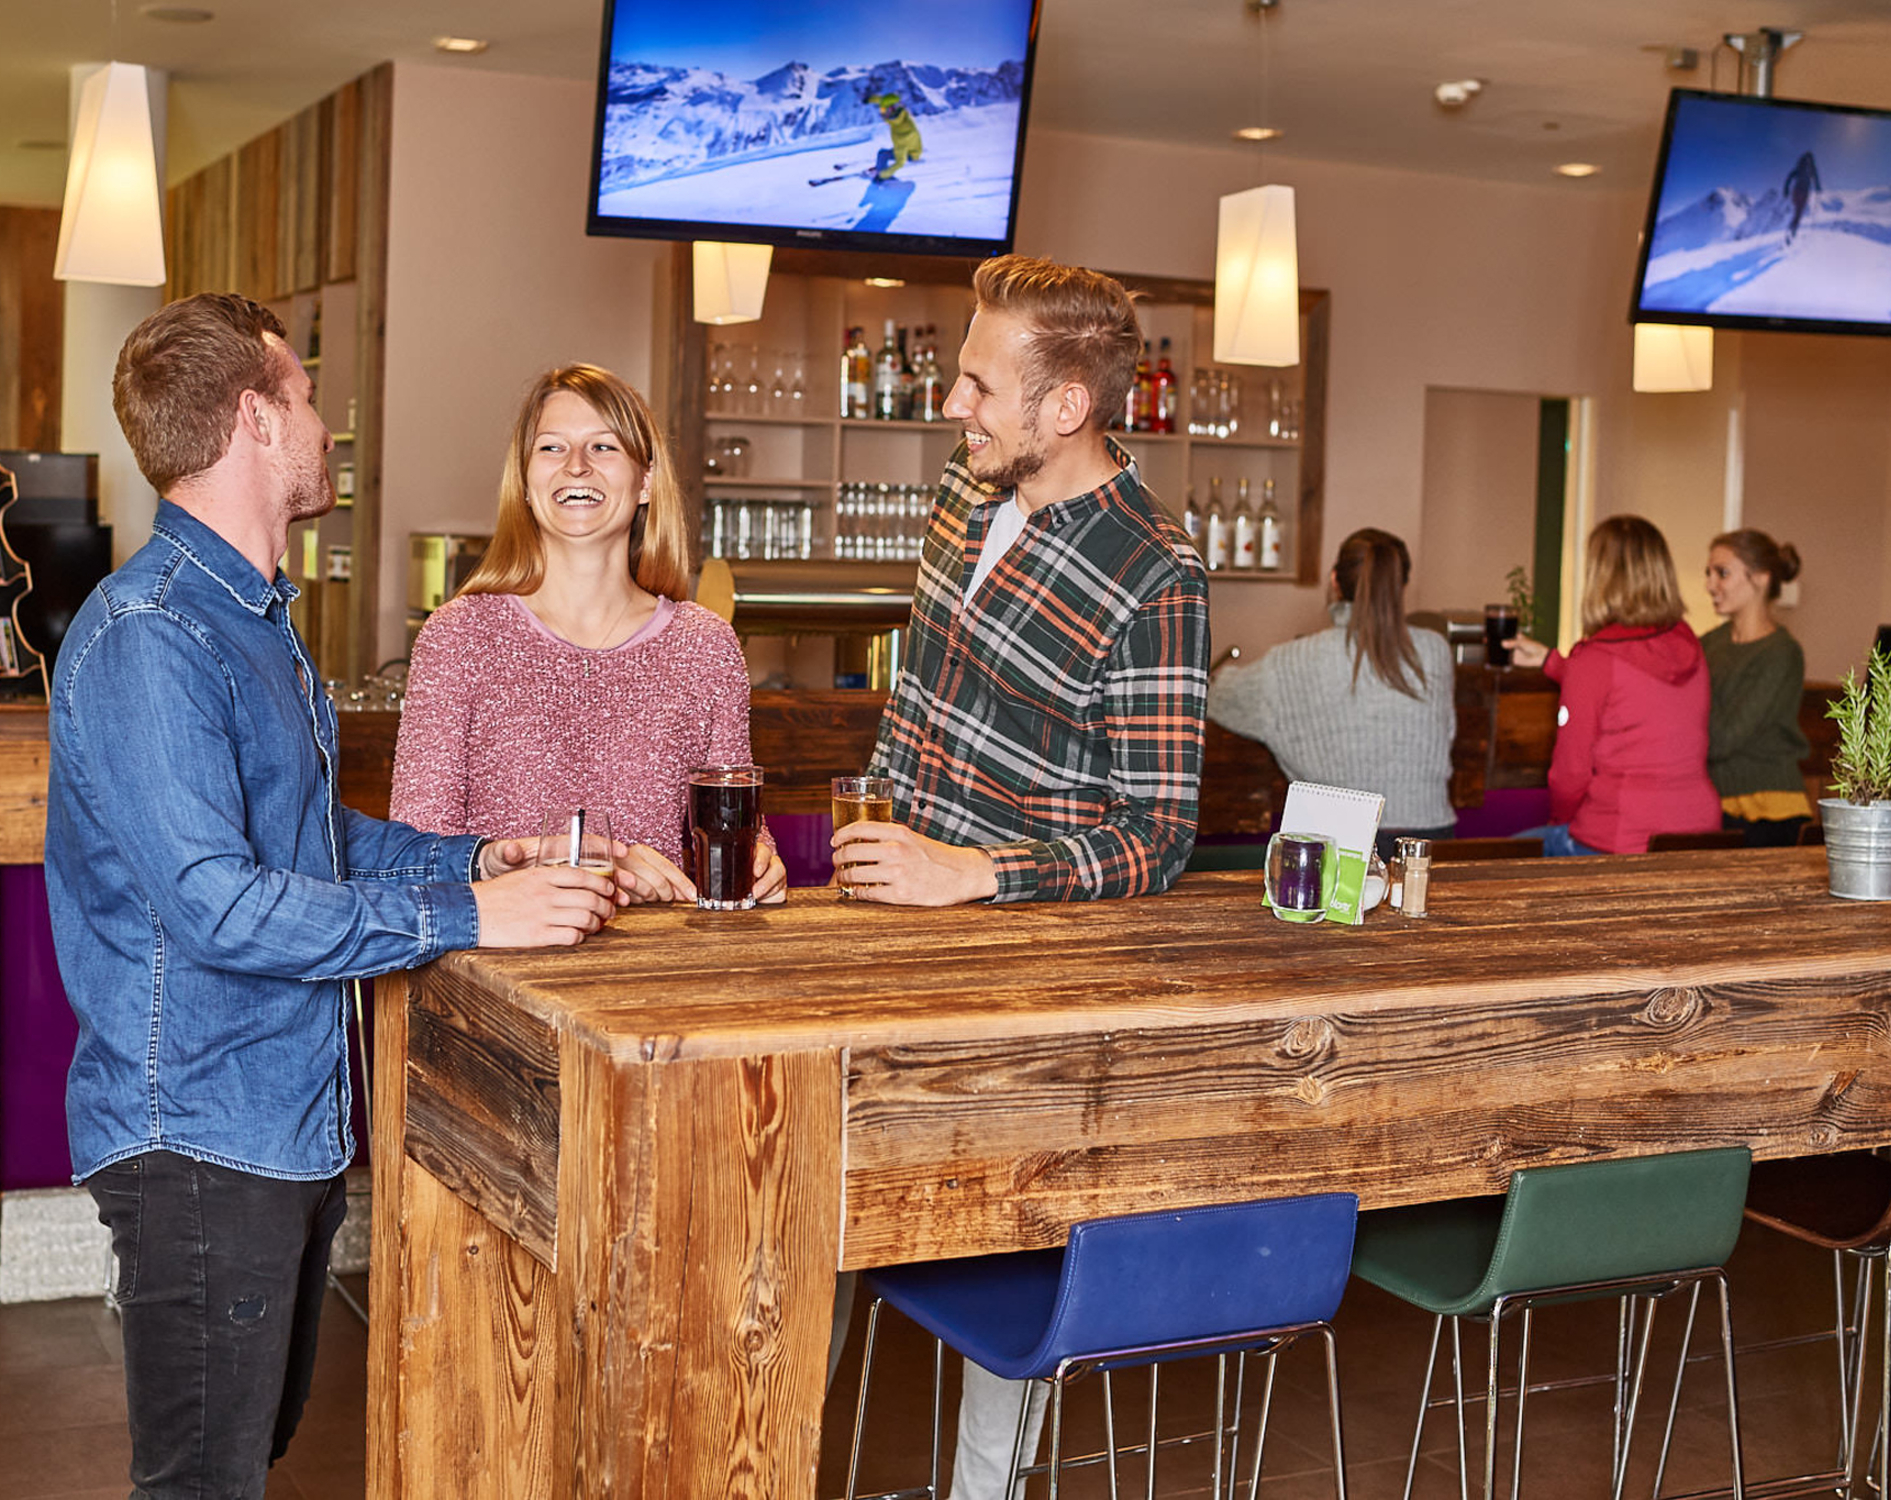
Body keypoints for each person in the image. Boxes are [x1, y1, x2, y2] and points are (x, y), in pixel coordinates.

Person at [43, 292, 621, 1498]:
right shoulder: (151, 633)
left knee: (242, 1458)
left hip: (277, 1126)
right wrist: (470, 919)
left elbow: (305, 843)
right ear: (256, 420)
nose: (325, 424)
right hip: (200, 1133)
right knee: (202, 1481)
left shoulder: (246, 617)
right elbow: (218, 904)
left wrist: (474, 860)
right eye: (306, 398)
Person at [831, 253, 1209, 1498]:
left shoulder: (1155, 572)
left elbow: (1155, 836)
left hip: (1015, 979)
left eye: (980, 386)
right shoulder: (963, 488)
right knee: (805, 1224)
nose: (953, 404)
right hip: (880, 930)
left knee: (1002, 1258)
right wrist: (867, 843)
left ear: (1067, 406)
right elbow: (920, 699)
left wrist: (972, 875)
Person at [390, 363, 784, 904]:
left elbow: (733, 824)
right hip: (501, 954)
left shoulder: (705, 645)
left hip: (661, 953)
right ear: (525, 483)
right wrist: (605, 869)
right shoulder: (458, 636)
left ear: (645, 481)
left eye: (603, 447)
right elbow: (415, 855)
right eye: (552, 448)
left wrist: (761, 862)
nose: (576, 465)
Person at [1208, 527, 1456, 860]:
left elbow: (1210, 695)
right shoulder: (1436, 650)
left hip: (1337, 848)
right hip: (1430, 846)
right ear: (1401, 586)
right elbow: (1446, 732)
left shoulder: (1289, 662)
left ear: (1334, 581)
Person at [1508, 514, 1720, 855]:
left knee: (1504, 858)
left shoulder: (1595, 659)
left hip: (1620, 837)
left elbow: (1570, 776)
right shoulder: (1687, 642)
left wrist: (1561, 820)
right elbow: (1637, 692)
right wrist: (1553, 662)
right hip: (1697, 831)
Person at [1702, 528, 1810, 847]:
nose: (1710, 585)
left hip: (1769, 810)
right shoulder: (1709, 643)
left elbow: (1725, 738)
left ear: (1761, 578)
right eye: (1708, 573)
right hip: (1715, 802)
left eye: (1722, 573)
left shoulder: (1781, 653)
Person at [865, 90, 923, 180]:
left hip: (910, 154)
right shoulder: (899, 116)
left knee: (883, 155)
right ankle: (880, 168)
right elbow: (882, 100)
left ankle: (880, 172)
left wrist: (882, 176)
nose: (882, 112)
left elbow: (900, 163)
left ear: (892, 109)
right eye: (881, 109)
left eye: (884, 110)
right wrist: (869, 99)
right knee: (882, 154)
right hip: (908, 148)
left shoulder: (903, 131)